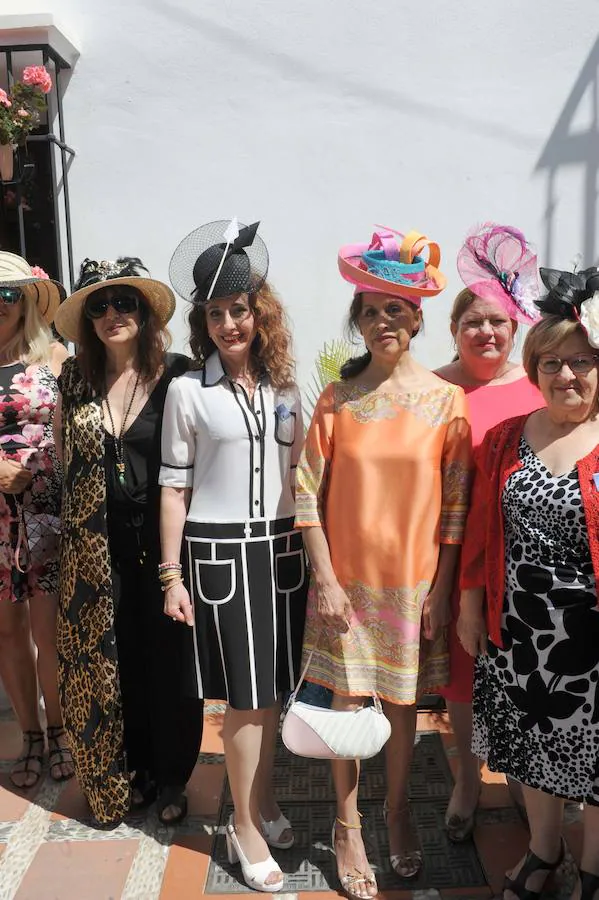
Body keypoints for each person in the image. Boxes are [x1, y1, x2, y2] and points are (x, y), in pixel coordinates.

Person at [295, 227, 472, 897]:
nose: (381, 321)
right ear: (357, 323)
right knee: (345, 706)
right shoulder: (336, 401)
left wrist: (442, 590)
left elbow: (454, 507)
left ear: (417, 317)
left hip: (413, 585)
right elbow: (305, 491)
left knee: (400, 707)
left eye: (393, 309)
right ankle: (346, 825)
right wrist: (326, 580)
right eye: (369, 311)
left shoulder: (443, 400)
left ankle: (396, 812)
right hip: (345, 588)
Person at [160, 220, 307, 893]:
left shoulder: (283, 386)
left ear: (258, 311)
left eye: (238, 310)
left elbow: (302, 471)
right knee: (244, 701)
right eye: (215, 314)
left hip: (283, 552)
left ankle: (266, 801)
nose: (228, 324)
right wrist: (171, 574)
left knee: (270, 693)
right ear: (204, 322)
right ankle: (242, 826)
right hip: (221, 557)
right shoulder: (189, 391)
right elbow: (172, 489)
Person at [458, 265, 599, 900]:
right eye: (552, 363)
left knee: (595, 759)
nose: (566, 375)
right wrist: (469, 603)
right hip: (519, 626)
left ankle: (593, 866)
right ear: (535, 368)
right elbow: (483, 532)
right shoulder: (506, 438)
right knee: (533, 747)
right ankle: (544, 851)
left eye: (582, 362)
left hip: (590, 639)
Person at [53, 257, 203, 827]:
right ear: (88, 319)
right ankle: (131, 769)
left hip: (169, 543)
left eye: (125, 303)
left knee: (170, 659)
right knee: (116, 662)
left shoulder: (179, 374)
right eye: (100, 306)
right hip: (100, 545)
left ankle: (172, 777)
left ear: (145, 313)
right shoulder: (74, 380)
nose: (113, 314)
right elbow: (67, 461)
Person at [435, 223, 544, 840]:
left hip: (519, 558)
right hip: (450, 553)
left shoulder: (536, 392)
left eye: (498, 322)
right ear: (455, 329)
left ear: (516, 328)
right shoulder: (435, 390)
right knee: (459, 673)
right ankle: (467, 781)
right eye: (474, 321)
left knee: (520, 674)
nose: (486, 332)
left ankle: (528, 784)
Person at [0, 251, 73, 789]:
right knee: (7, 631)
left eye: (7, 294)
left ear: (26, 300)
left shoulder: (54, 357)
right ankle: (28, 734)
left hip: (47, 511)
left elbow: (83, 428)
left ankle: (60, 730)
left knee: (49, 630)